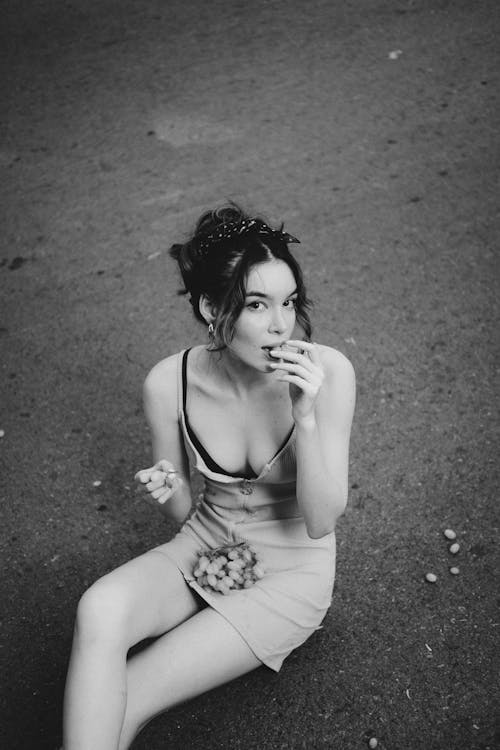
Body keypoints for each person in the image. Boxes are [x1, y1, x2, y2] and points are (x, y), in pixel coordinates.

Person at [62, 202, 356, 750]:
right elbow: (181, 510)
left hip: (291, 573)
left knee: (126, 691)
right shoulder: (166, 382)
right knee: (96, 608)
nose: (281, 323)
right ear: (210, 307)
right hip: (204, 544)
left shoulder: (328, 373)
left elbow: (320, 521)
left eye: (289, 302)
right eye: (257, 305)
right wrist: (169, 489)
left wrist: (306, 417)